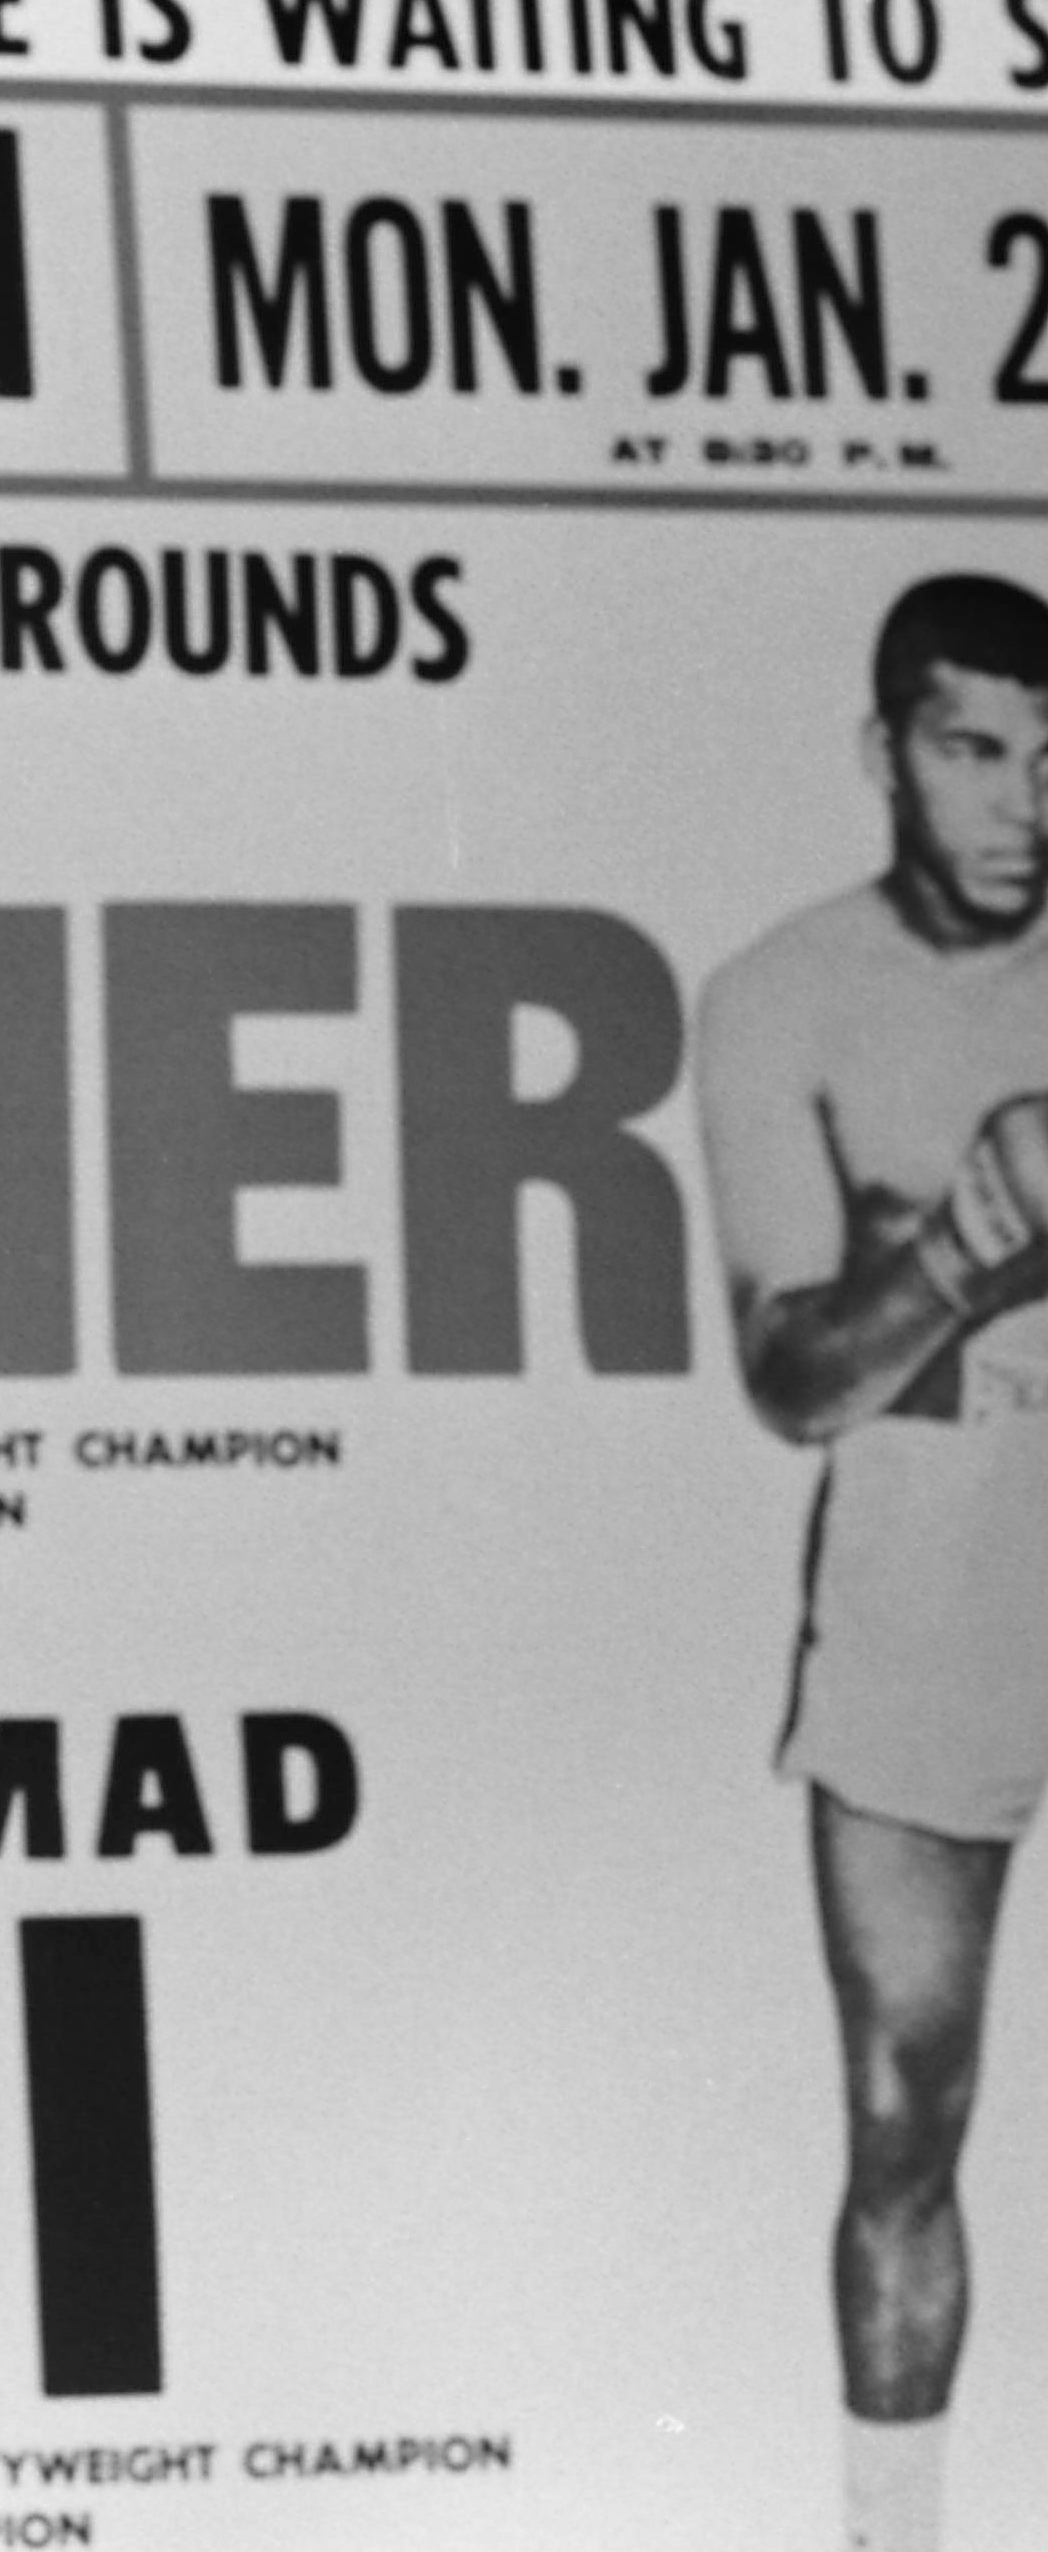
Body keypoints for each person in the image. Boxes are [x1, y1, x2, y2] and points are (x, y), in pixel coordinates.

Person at [704, 571, 1048, 2552]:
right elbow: (790, 1380)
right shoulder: (780, 997)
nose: (1019, 800)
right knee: (904, 2121)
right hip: (931, 1585)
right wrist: (975, 1230)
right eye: (970, 749)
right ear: (883, 754)